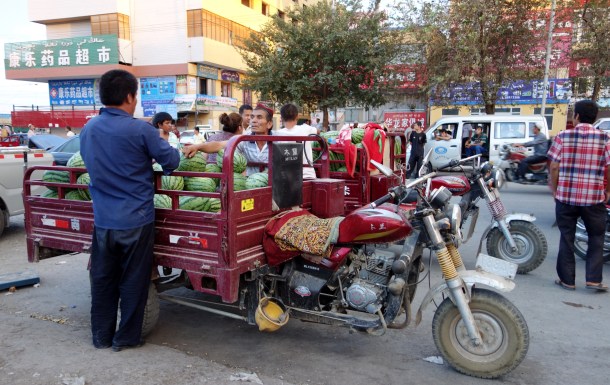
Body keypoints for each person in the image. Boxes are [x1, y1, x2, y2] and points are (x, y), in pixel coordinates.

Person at [79, 69, 180, 351]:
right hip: (136, 220)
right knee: (133, 281)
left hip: (103, 221)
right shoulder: (141, 130)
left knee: (102, 280)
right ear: (128, 96)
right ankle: (126, 338)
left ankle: (101, 337)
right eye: (135, 95)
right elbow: (171, 159)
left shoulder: (89, 128)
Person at [548, 100, 610, 292]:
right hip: (594, 198)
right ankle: (593, 279)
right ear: (595, 118)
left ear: (576, 116)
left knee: (567, 236)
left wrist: (556, 189)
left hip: (566, 197)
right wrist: (608, 191)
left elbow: (554, 166)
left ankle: (567, 281)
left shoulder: (562, 136)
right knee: (596, 237)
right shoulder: (605, 139)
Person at [183, 103, 273, 176]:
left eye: (259, 117)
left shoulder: (280, 141)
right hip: (250, 188)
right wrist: (197, 147)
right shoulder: (244, 139)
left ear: (269, 124)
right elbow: (219, 145)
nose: (253, 120)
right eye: (252, 117)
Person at [277, 103, 317, 179]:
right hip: (307, 174)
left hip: (286, 177)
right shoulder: (306, 129)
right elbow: (318, 132)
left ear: (281, 118)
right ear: (297, 116)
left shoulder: (277, 133)